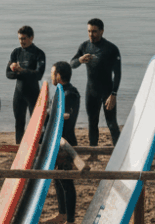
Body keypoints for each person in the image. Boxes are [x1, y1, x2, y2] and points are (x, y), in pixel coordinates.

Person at [69, 18, 121, 146]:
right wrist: (80, 60)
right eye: (89, 31)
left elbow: (118, 74)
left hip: (108, 92)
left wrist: (113, 94)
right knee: (92, 123)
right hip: (91, 92)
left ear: (102, 31)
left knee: (111, 123)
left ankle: (119, 149)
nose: (91, 34)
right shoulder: (85, 46)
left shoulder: (111, 49)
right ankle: (94, 151)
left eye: (94, 31)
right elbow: (72, 64)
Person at [45, 62, 80, 224]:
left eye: (53, 74)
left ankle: (70, 220)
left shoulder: (70, 94)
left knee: (66, 181)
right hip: (56, 142)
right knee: (57, 179)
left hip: (66, 143)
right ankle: (62, 214)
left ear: (58, 75)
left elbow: (65, 117)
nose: (51, 76)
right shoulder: (61, 92)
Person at [6, 26, 46, 143]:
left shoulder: (38, 53)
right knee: (19, 123)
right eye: (19, 39)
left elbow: (38, 75)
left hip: (33, 93)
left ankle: (37, 148)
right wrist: (17, 72)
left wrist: (21, 70)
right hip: (19, 94)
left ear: (31, 38)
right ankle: (19, 147)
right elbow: (8, 74)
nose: (21, 41)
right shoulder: (16, 52)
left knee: (36, 124)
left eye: (24, 39)